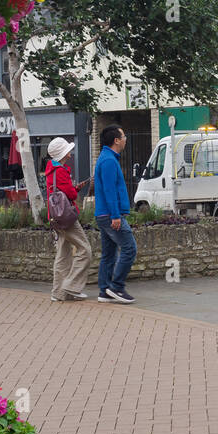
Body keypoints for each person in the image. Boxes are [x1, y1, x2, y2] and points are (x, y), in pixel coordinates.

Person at [44, 137, 92, 302]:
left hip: (55, 217)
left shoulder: (51, 170)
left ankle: (58, 293)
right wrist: (74, 189)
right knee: (85, 250)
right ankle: (72, 287)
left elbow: (62, 190)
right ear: (62, 154)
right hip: (66, 217)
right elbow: (70, 194)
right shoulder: (61, 171)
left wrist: (72, 187)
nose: (70, 155)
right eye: (68, 152)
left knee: (63, 254)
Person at [94, 125, 137, 304]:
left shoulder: (106, 158)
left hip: (104, 214)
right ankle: (116, 287)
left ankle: (104, 291)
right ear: (116, 140)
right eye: (124, 136)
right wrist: (116, 215)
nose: (126, 139)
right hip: (110, 215)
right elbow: (109, 190)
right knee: (129, 249)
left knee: (109, 254)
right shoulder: (109, 161)